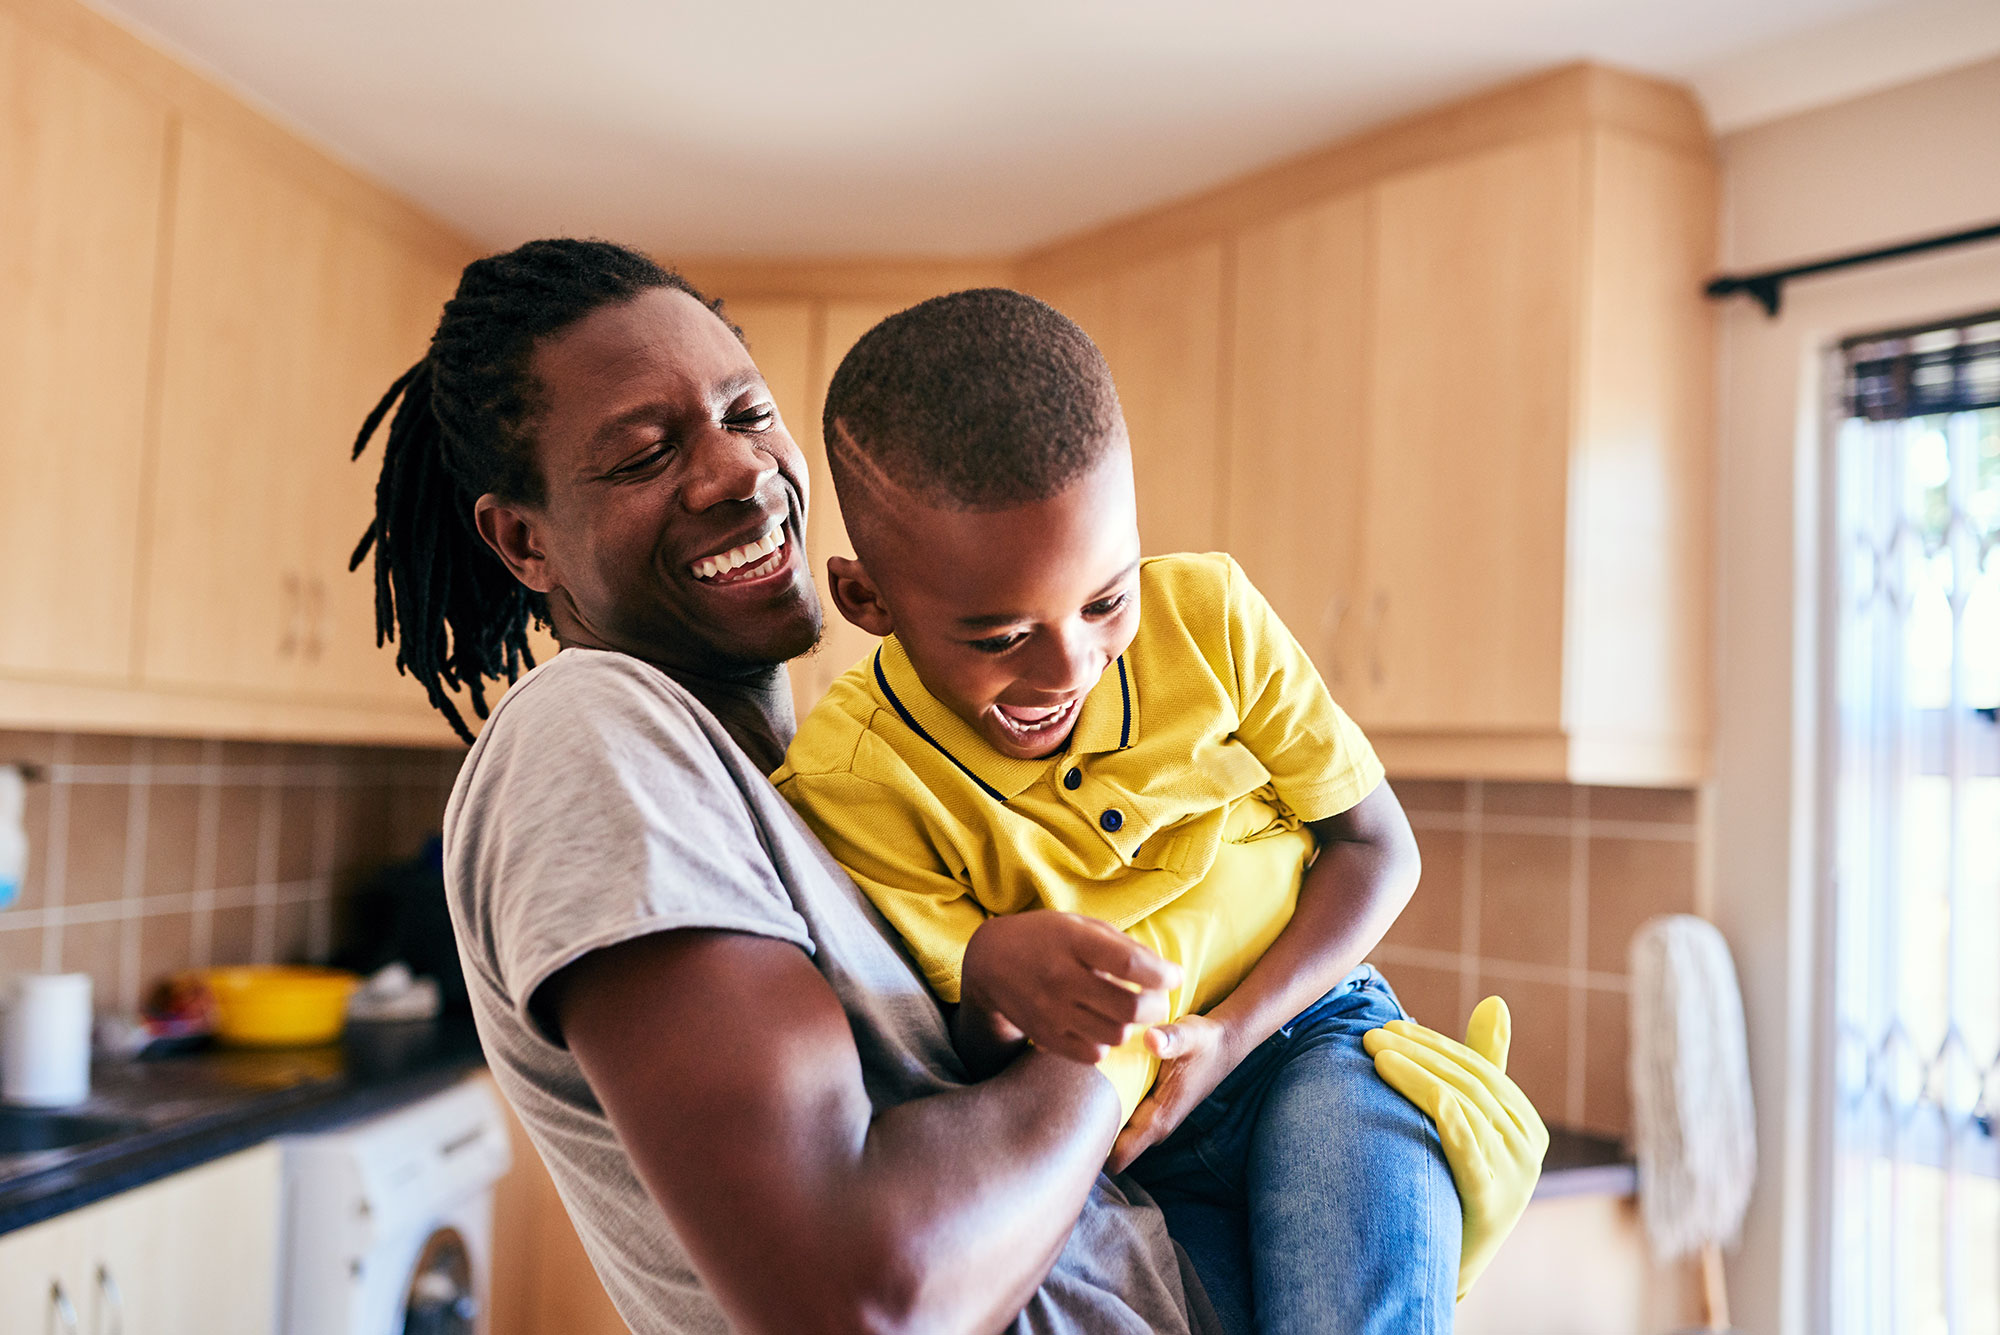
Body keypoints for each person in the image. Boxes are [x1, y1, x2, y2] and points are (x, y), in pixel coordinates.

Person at [350, 238, 1548, 1335]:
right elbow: (869, 1300)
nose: (734, 472)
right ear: (523, 542)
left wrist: (1360, 1178)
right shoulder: (590, 733)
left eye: (746, 411)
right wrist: (1168, 976)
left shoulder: (812, 781)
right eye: (646, 454)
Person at [774, 288, 1449, 1331]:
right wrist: (992, 970)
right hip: (1129, 1143)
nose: (1069, 666)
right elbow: (962, 1054)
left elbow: (1375, 848)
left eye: (1104, 599)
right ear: (867, 603)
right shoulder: (852, 779)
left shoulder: (1212, 617)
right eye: (998, 636)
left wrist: (1227, 1034)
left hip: (1309, 1036)